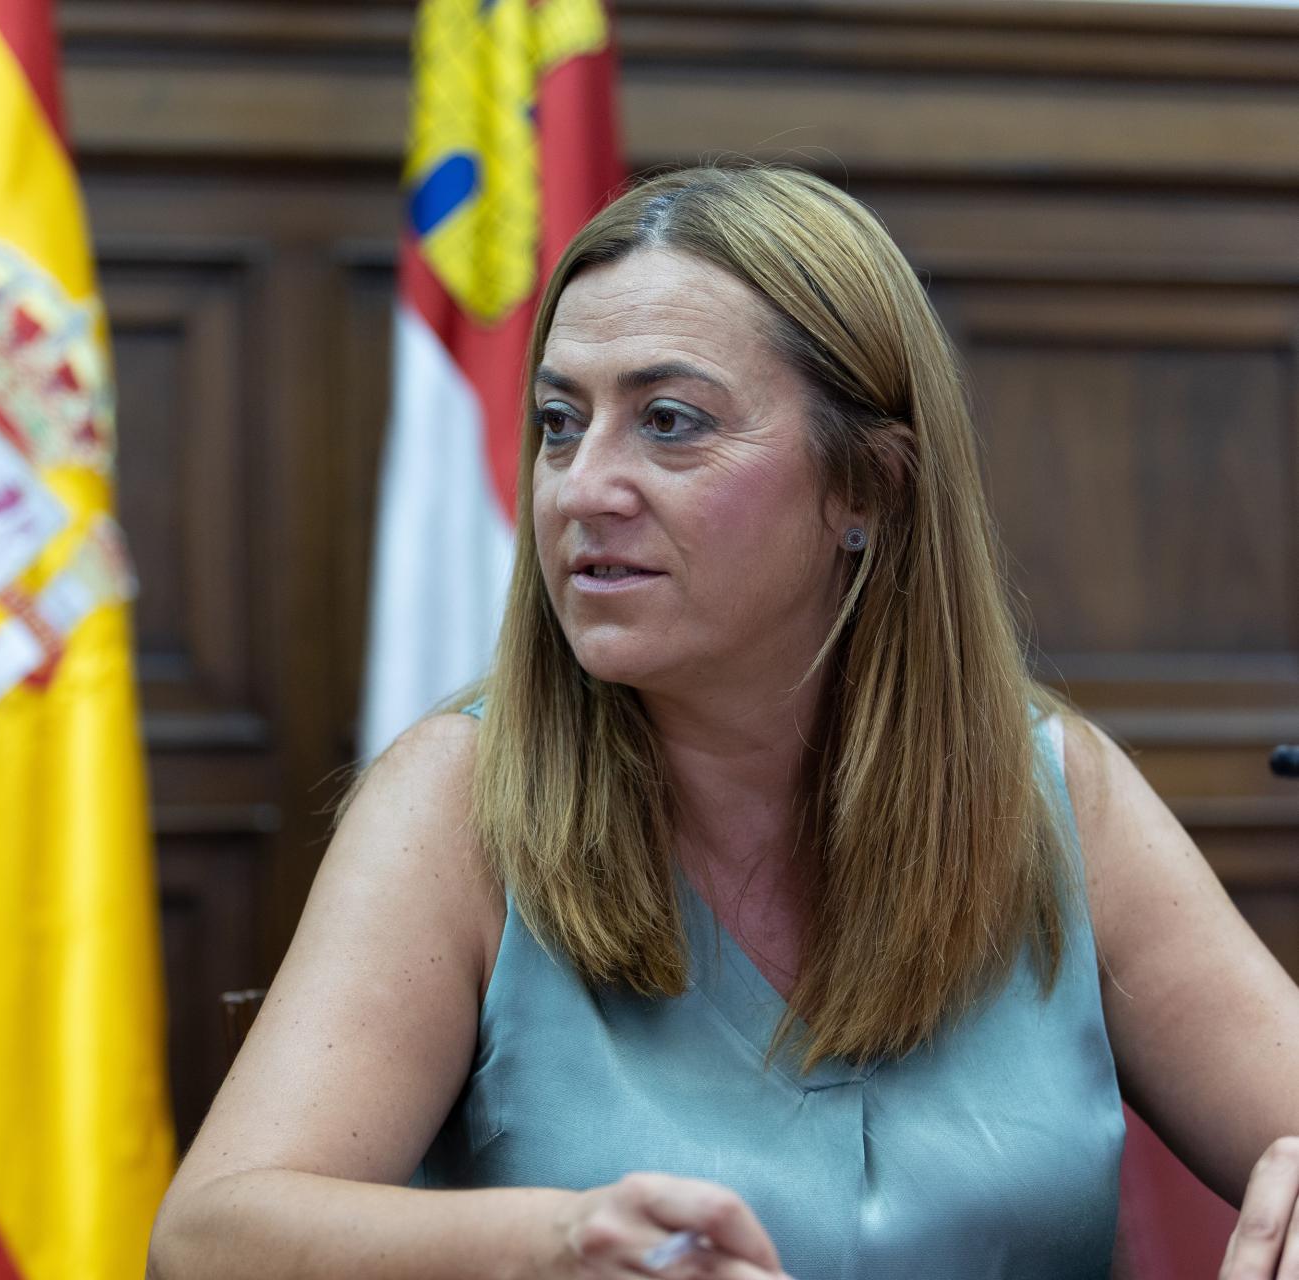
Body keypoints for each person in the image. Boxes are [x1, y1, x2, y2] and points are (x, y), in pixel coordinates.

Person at [146, 163, 1299, 1279]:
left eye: (668, 421)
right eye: (558, 421)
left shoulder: (1053, 788)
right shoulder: (457, 797)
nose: (581, 485)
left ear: (867, 489)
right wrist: (543, 1246)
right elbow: (208, 1239)